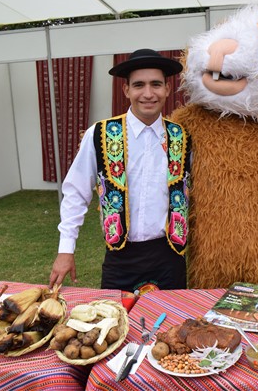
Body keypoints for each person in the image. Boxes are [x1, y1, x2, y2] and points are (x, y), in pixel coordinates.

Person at [49, 49, 191, 294]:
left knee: (171, 318)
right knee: (115, 317)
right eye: (139, 85)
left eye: (156, 84)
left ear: (167, 89)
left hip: (170, 257)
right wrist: (65, 250)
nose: (148, 93)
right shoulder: (100, 133)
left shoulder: (182, 137)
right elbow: (76, 192)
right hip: (120, 259)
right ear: (126, 90)